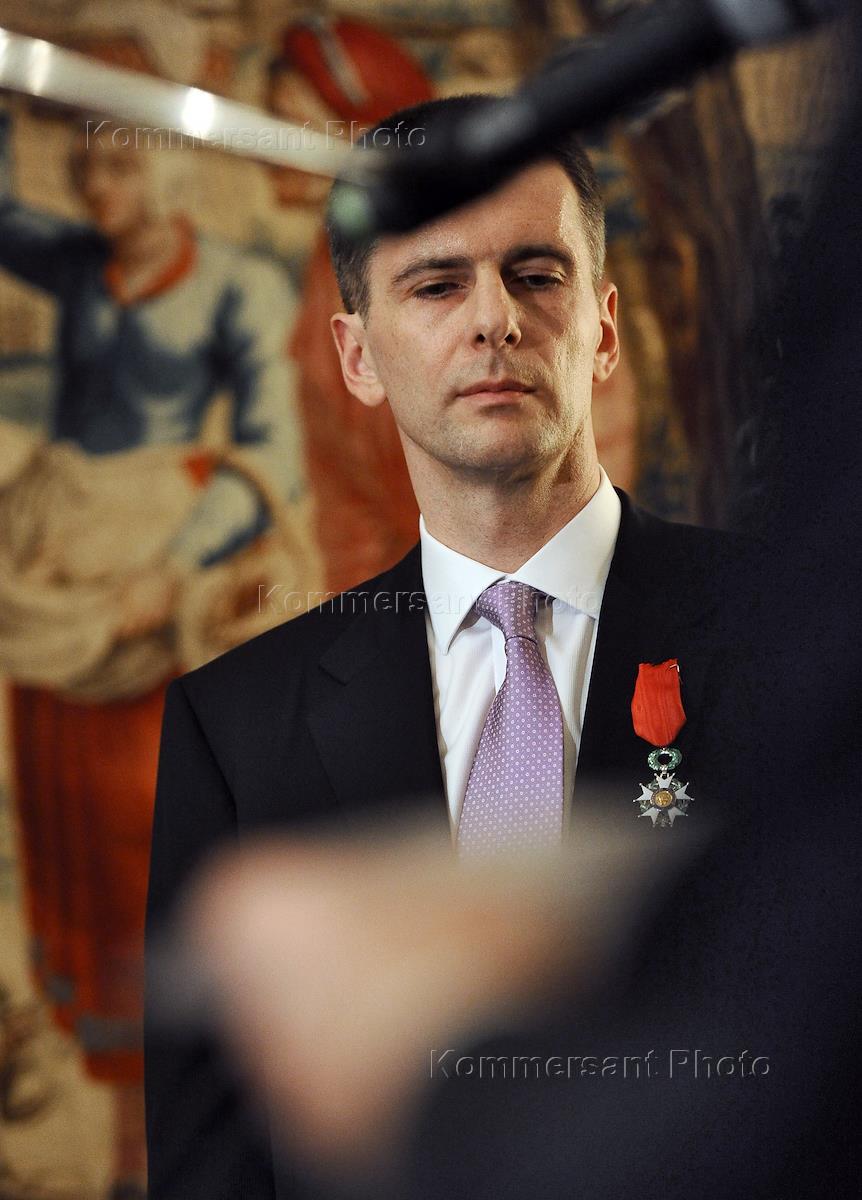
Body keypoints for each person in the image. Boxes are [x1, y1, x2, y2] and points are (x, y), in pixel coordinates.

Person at [146, 93, 739, 1198]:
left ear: (604, 328)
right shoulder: (235, 726)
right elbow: (213, 1168)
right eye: (435, 284)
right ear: (357, 355)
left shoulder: (803, 638)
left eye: (536, 275)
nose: (495, 319)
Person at [0, 107, 308, 1199]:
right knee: (68, 849)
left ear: (175, 179)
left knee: (154, 849)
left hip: (155, 600)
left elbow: (271, 449)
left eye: (122, 166)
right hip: (60, 590)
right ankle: (127, 1151)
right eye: (86, 166)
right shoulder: (78, 262)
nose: (97, 188)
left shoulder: (236, 285)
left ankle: (193, 1127)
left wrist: (172, 568)